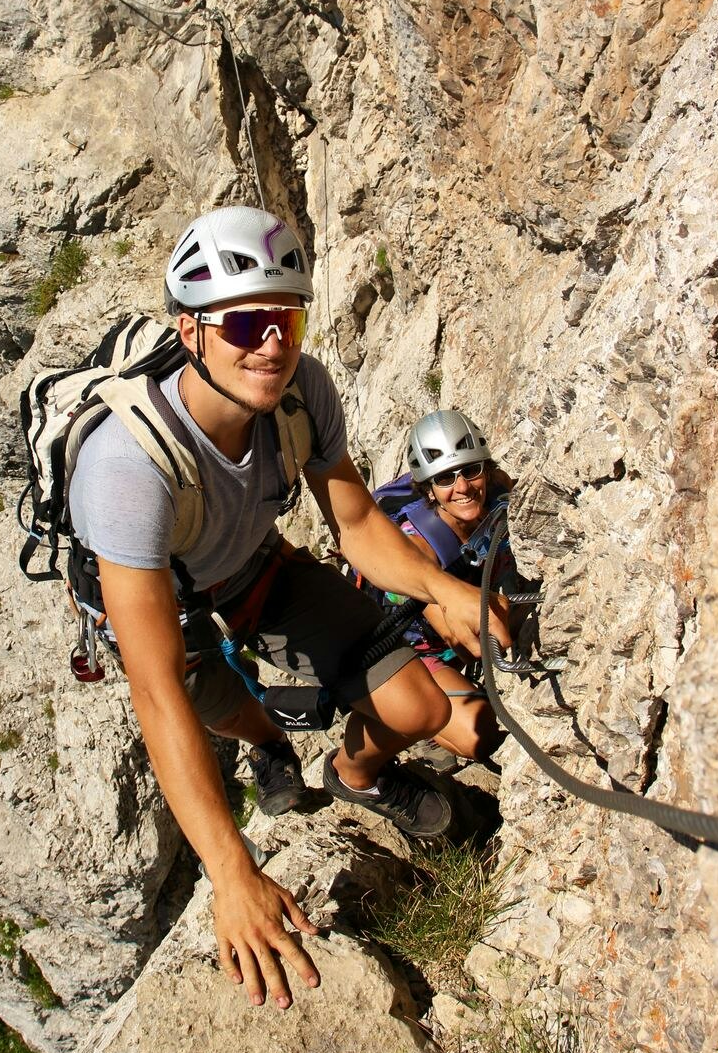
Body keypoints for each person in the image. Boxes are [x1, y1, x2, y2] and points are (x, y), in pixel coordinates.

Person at [68, 206, 512, 1011]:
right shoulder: (127, 469)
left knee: (413, 702)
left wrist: (448, 590)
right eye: (246, 321)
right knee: (221, 705)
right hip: (167, 602)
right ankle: (271, 743)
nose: (273, 341)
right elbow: (155, 690)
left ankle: (350, 777)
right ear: (192, 329)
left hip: (251, 563)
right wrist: (231, 870)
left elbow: (357, 522)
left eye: (287, 316)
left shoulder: (299, 393)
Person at [367, 410, 517, 764]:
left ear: (487, 469)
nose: (463, 487)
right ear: (429, 491)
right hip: (416, 650)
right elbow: (456, 634)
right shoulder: (415, 547)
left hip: (475, 616)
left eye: (470, 470)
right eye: (445, 478)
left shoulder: (498, 491)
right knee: (478, 735)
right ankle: (417, 722)